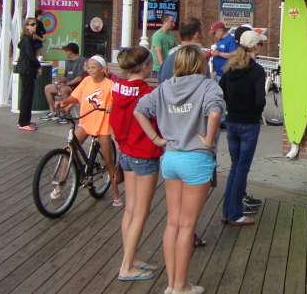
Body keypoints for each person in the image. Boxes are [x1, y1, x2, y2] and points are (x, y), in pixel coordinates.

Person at [134, 45, 225, 294]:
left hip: (171, 158)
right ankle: (182, 286)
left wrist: (155, 138)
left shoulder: (164, 87)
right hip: (196, 158)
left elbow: (139, 110)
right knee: (187, 226)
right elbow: (215, 112)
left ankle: (172, 284)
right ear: (200, 63)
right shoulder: (208, 86)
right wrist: (208, 139)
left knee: (172, 223)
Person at [109, 46, 161, 282]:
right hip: (144, 154)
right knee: (141, 212)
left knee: (130, 210)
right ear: (146, 67)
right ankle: (126, 266)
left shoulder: (117, 89)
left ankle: (130, 258)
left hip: (126, 153)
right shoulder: (148, 92)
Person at [57, 55, 122, 205]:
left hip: (102, 124)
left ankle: (115, 193)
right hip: (86, 122)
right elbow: (74, 97)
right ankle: (60, 183)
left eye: (93, 68)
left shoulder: (110, 85)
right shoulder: (86, 81)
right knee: (69, 150)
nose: (90, 70)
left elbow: (117, 100)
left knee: (108, 161)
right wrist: (63, 102)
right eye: (89, 68)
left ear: (102, 69)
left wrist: (113, 105)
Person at [219, 30, 267, 225]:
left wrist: (231, 105)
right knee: (241, 169)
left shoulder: (231, 67)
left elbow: (221, 88)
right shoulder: (257, 70)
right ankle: (235, 214)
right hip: (249, 123)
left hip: (231, 122)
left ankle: (227, 211)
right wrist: (254, 111)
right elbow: (259, 101)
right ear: (255, 46)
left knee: (234, 168)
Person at [42, 43, 86, 124]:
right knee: (48, 88)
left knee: (64, 89)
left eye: (65, 51)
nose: (65, 53)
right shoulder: (68, 62)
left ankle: (66, 114)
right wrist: (58, 83)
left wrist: (66, 84)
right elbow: (65, 76)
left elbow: (79, 78)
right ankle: (53, 111)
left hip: (76, 86)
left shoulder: (82, 61)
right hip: (66, 84)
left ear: (70, 51)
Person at [158, 17, 204, 85]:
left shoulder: (166, 62)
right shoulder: (199, 61)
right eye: (204, 33)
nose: (205, 36)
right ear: (197, 35)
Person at [16, 18, 42, 131]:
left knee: (27, 95)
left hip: (27, 69)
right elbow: (31, 56)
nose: (34, 26)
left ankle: (25, 120)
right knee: (27, 96)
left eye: (35, 24)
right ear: (26, 26)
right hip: (27, 69)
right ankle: (23, 122)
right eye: (32, 24)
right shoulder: (27, 39)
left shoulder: (29, 39)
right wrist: (38, 65)